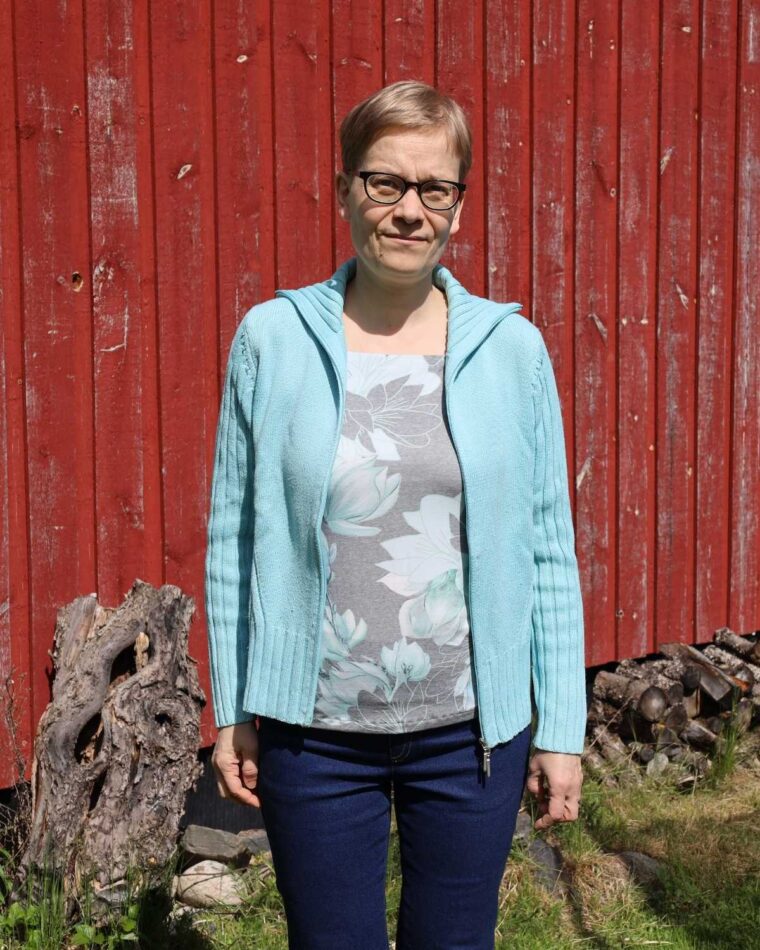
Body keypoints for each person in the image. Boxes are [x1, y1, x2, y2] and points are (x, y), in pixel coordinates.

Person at [204, 80, 587, 950]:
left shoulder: (511, 350)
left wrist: (560, 727)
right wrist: (234, 706)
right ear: (344, 190)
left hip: (470, 737)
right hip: (313, 738)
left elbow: (547, 550)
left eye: (434, 188)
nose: (410, 210)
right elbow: (234, 539)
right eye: (385, 183)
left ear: (457, 202)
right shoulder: (273, 338)